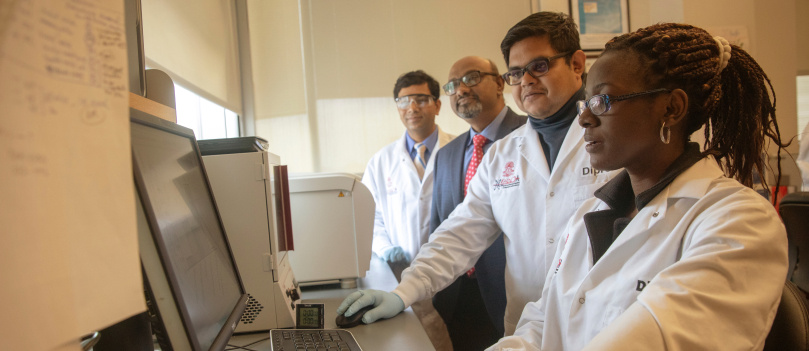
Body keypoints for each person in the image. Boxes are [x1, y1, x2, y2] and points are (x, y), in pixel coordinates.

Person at [489, 23, 789, 350]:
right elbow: (543, 321)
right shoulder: (589, 214)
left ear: (671, 108)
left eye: (603, 100)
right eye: (585, 103)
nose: (584, 118)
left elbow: (655, 339)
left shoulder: (738, 221)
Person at [338, 12, 617, 334]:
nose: (526, 80)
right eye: (516, 72)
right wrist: (403, 292)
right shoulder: (502, 154)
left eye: (539, 66)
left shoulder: (616, 138)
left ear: (577, 64)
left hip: (604, 326)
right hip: (526, 329)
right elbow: (459, 233)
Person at [431, 56, 526, 349]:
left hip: (516, 293)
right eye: (452, 85)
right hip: (459, 295)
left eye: (471, 78)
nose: (460, 89)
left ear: (500, 83)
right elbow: (441, 224)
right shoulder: (446, 155)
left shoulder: (530, 136)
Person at [362, 70, 454, 268]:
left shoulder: (459, 151)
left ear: (437, 106)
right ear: (397, 107)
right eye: (404, 101)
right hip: (401, 271)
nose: (412, 108)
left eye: (421, 100)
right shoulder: (380, 162)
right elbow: (369, 218)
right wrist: (385, 248)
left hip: (453, 269)